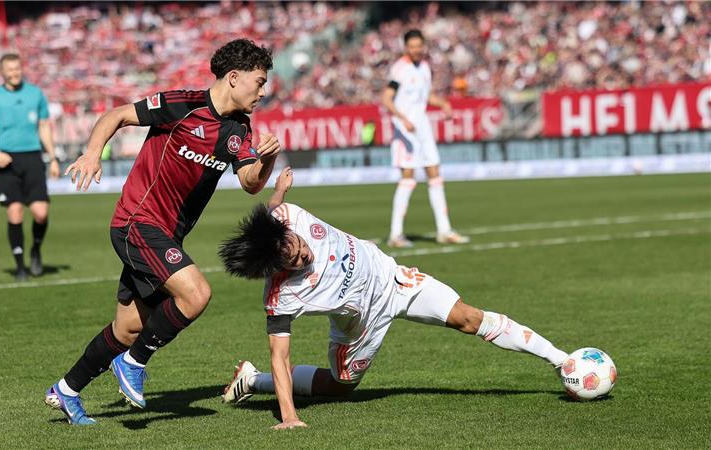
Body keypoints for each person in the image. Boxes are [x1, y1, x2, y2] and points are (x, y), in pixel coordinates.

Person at [218, 167, 568, 429]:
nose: (303, 256)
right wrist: (289, 417)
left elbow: (271, 209)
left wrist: (280, 189)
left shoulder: (285, 216)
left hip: (393, 279)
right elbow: (280, 357)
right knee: (339, 388)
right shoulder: (281, 296)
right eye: (293, 262)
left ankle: (561, 361)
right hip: (361, 326)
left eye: (297, 247)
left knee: (467, 318)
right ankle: (253, 380)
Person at [44, 39, 280, 425]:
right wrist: (92, 153)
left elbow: (250, 183)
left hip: (166, 236)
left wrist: (267, 159)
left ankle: (67, 390)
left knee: (127, 328)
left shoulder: (240, 129)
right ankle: (134, 363)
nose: (263, 91)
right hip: (137, 222)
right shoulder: (181, 105)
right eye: (260, 81)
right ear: (234, 78)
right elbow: (117, 115)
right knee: (196, 294)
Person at [382, 30, 469, 248]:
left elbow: (426, 96)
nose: (416, 50)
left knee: (434, 173)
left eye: (419, 46)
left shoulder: (424, 67)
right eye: (412, 46)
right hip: (405, 129)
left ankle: (444, 230)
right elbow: (387, 98)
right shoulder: (400, 69)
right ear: (406, 48)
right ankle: (395, 234)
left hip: (422, 126)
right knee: (408, 177)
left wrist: (444, 104)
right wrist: (403, 118)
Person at [0, 53, 60, 281]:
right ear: (2, 72)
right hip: (7, 159)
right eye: (10, 69)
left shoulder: (36, 94)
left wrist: (53, 157)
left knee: (41, 213)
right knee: (15, 212)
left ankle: (36, 250)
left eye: (17, 68)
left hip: (33, 157)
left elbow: (44, 126)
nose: (15, 73)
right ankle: (20, 266)